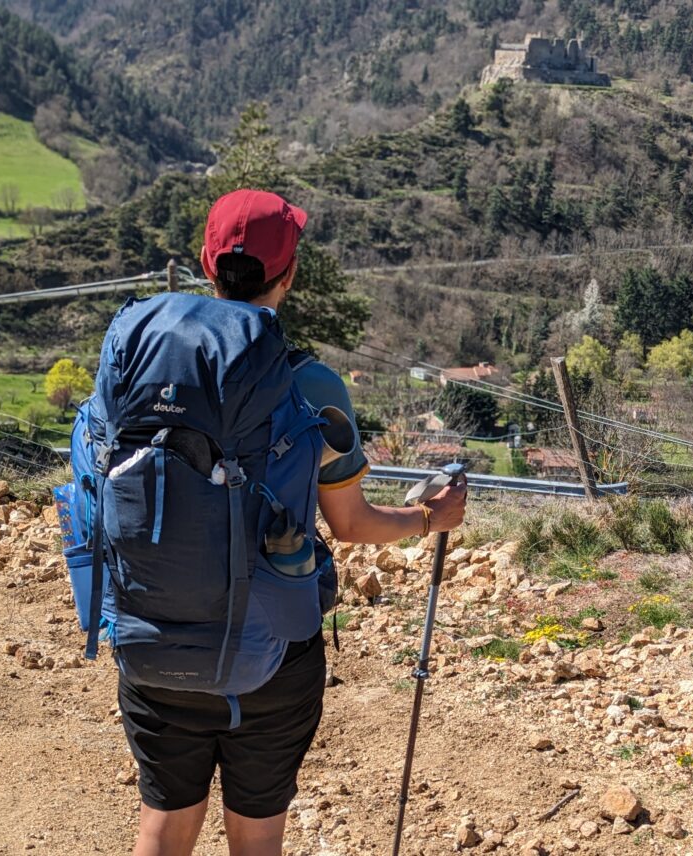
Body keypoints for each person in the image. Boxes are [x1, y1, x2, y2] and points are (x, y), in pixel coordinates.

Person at [119, 189, 468, 856]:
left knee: (161, 826)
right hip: (272, 653)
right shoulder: (312, 385)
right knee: (257, 837)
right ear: (291, 274)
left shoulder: (144, 367)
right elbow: (352, 524)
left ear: (206, 265)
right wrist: (429, 517)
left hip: (154, 638)